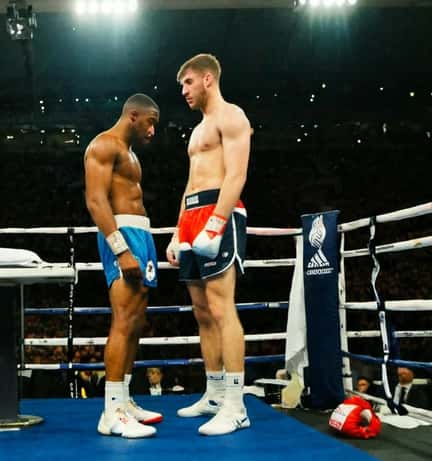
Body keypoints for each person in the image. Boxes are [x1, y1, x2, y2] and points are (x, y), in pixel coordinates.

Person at [167, 53, 253, 436]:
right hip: (192, 217)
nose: (183, 90)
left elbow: (236, 175)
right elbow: (189, 184)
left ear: (206, 79)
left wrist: (217, 223)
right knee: (201, 311)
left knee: (222, 307)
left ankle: (236, 405)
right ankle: (215, 393)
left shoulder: (231, 116)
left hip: (220, 212)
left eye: (187, 82)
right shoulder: (197, 130)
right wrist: (177, 232)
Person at [84, 93, 161, 439]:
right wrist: (120, 250)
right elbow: (95, 200)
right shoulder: (104, 145)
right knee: (123, 319)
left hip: (141, 233)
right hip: (123, 234)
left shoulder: (130, 155)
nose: (153, 130)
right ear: (133, 115)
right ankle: (111, 411)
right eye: (150, 122)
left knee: (138, 320)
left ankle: (125, 400)